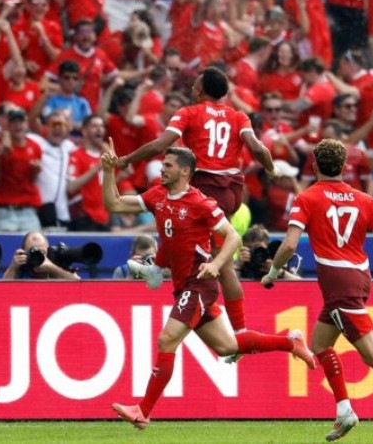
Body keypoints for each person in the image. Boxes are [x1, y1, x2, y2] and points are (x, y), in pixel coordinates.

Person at [101, 145, 316, 430]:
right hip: (183, 286)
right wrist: (107, 171)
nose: (162, 169)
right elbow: (113, 204)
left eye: (168, 165)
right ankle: (291, 342)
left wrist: (216, 265)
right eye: (162, 164)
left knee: (167, 340)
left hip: (199, 284)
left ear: (185, 171)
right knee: (227, 346)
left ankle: (143, 411)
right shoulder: (158, 196)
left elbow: (232, 238)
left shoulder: (201, 202)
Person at [260, 138, 373, 443]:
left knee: (372, 355)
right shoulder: (364, 200)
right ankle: (344, 410)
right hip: (359, 277)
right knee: (320, 344)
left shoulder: (306, 198)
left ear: (315, 165)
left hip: (338, 283)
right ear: (345, 168)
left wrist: (273, 272)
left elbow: (290, 244)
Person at [115, 66, 278, 337]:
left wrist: (126, 160)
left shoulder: (189, 113)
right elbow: (258, 149)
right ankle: (157, 267)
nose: (191, 89)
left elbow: (160, 145)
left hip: (206, 186)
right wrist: (272, 170)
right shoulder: (239, 116)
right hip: (233, 189)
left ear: (201, 89)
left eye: (194, 86)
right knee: (172, 213)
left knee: (221, 262)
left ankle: (240, 331)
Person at [3, 231, 80, 280]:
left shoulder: (55, 262)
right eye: (33, 251)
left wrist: (52, 268)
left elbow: (78, 283)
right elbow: (2, 291)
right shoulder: (20, 267)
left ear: (48, 251)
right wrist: (13, 267)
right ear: (24, 252)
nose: (38, 255)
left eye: (42, 252)